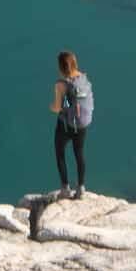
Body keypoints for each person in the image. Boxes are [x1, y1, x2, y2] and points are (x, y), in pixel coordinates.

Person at [50, 50, 93, 198]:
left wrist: (53, 107)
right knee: (79, 153)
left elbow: (57, 108)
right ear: (75, 63)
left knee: (60, 152)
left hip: (67, 125)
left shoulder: (61, 85)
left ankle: (65, 188)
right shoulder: (84, 79)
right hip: (82, 124)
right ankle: (81, 188)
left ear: (61, 68)